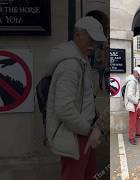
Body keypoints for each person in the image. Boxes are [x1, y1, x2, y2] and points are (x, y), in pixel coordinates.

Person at [45, 16, 107, 180]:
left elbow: (82, 97)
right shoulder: (71, 65)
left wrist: (94, 112)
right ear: (77, 35)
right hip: (77, 136)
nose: (94, 46)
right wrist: (89, 131)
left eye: (96, 41)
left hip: (81, 133)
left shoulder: (80, 60)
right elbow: (64, 109)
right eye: (91, 40)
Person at [123, 66, 140, 145]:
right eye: (139, 74)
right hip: (133, 104)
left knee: (137, 119)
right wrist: (137, 102)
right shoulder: (132, 82)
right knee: (132, 121)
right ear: (135, 72)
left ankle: (138, 132)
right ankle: (131, 137)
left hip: (135, 103)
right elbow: (129, 95)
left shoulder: (135, 80)